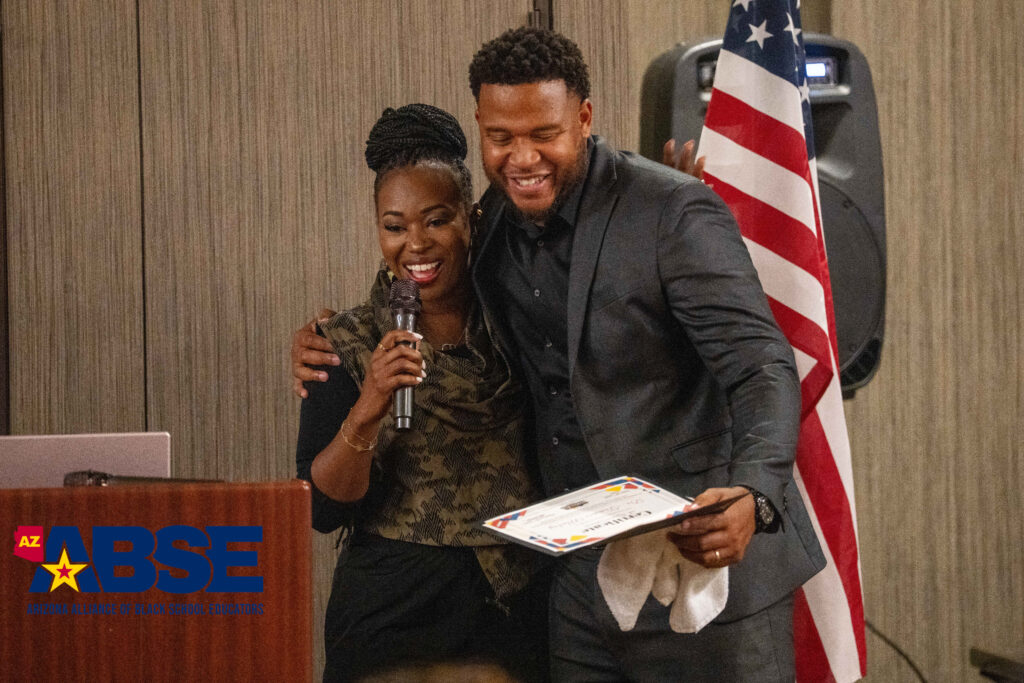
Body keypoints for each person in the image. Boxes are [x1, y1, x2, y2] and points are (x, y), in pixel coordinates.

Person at [294, 26, 823, 681]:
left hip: (700, 568)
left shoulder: (671, 210)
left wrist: (754, 493)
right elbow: (425, 257)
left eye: (543, 133)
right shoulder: (492, 226)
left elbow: (762, 365)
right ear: (481, 128)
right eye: (501, 137)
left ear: (584, 118)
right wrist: (328, 336)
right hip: (575, 586)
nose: (522, 158)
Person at [294, 103, 547, 683]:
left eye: (436, 220)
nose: (416, 244)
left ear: (471, 219)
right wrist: (368, 408)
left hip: (512, 607)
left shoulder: (522, 324)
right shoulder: (344, 342)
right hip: (391, 613)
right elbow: (322, 510)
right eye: (395, 225)